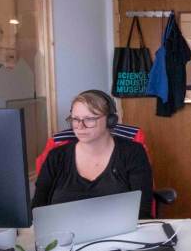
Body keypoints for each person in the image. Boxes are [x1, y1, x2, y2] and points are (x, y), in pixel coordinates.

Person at [32, 90, 153, 218]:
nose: (80, 126)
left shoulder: (133, 153)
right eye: (75, 119)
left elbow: (142, 210)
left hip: (120, 230)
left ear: (110, 120)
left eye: (89, 119)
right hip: (64, 230)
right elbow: (37, 209)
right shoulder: (56, 157)